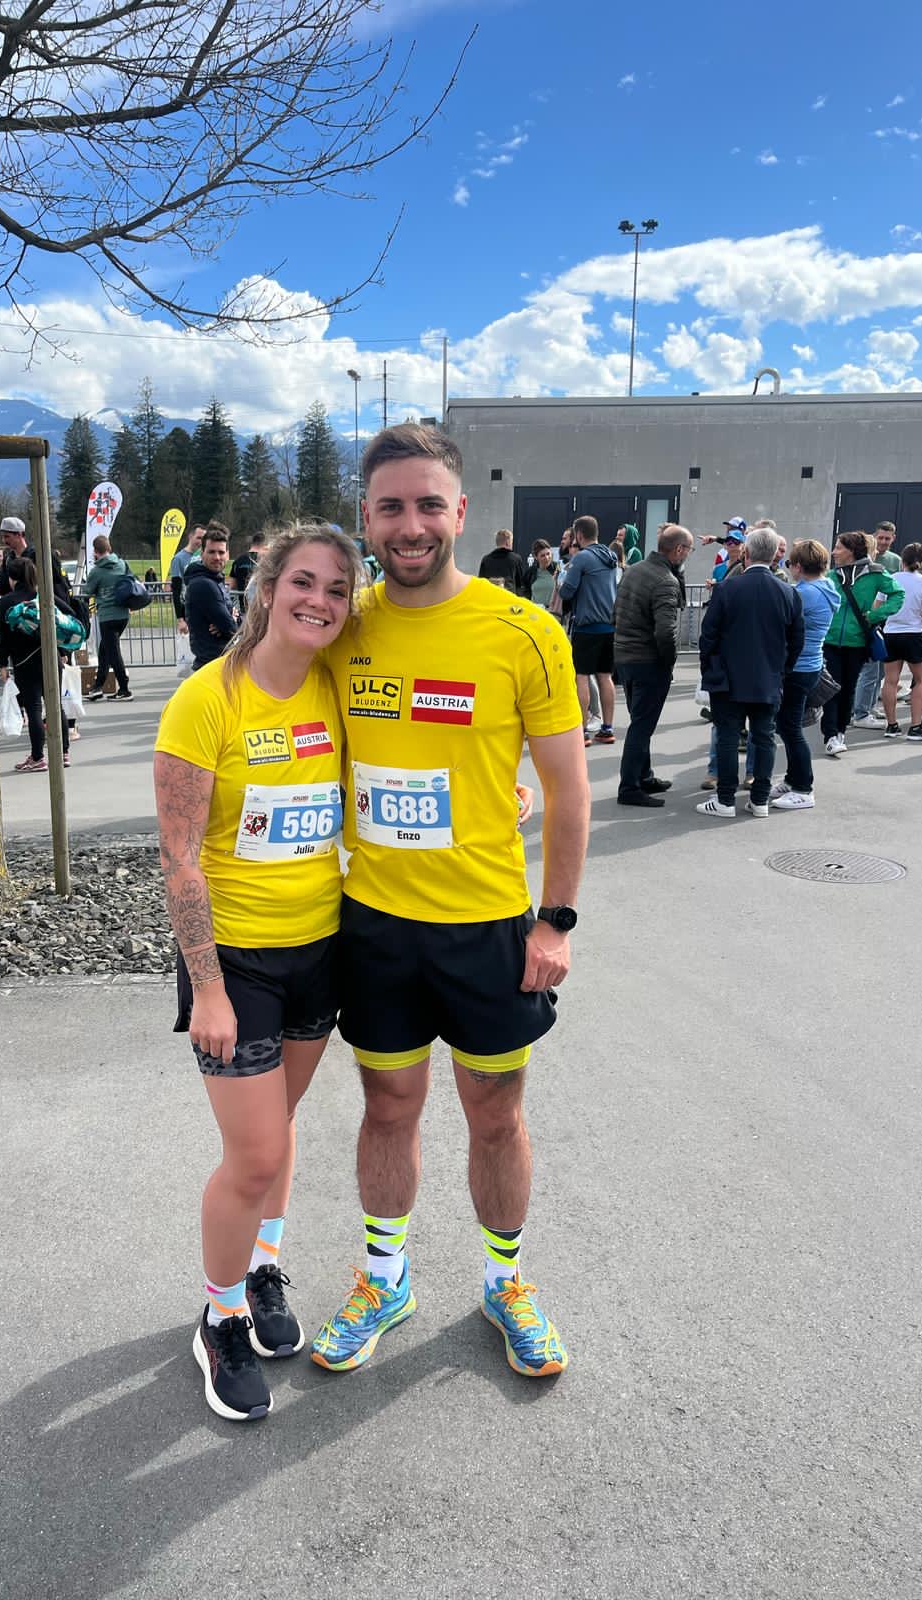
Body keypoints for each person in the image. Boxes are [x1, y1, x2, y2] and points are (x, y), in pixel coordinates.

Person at [312, 423, 588, 1381]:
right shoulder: (341, 626)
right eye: (391, 506)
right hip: (376, 924)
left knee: (495, 1113)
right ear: (366, 518)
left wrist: (555, 919)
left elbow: (567, 789)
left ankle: (506, 1283)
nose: (411, 525)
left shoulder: (525, 631)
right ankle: (386, 1279)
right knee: (388, 1106)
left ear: (461, 512)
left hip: (487, 927)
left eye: (429, 504)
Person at [154, 523, 363, 1423]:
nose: (319, 601)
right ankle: (221, 1313)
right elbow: (179, 858)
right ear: (268, 588)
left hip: (320, 949)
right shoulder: (207, 699)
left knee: (280, 1129)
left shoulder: (334, 688)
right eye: (303, 582)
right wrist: (206, 988)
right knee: (255, 1156)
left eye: (338, 589)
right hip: (236, 965)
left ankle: (263, 1267)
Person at [696, 527, 804, 819]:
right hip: (768, 676)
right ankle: (760, 800)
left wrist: (710, 669)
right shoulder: (788, 593)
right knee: (764, 738)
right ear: (773, 555)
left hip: (728, 677)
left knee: (728, 737)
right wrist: (782, 670)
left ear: (746, 553)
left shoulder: (727, 589)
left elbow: (708, 636)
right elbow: (797, 641)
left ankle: (725, 799)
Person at [612, 523, 693, 806]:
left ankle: (644, 776)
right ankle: (629, 787)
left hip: (625, 656)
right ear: (679, 549)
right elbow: (665, 632)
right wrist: (668, 664)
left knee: (639, 721)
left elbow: (616, 612)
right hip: (648, 662)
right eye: (689, 550)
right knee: (642, 726)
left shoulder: (633, 570)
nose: (689, 555)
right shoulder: (665, 580)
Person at [770, 540, 842, 811]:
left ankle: (803, 788)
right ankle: (792, 779)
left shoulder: (803, 593)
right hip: (810, 664)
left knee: (790, 729)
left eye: (790, 564)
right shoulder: (826, 587)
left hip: (798, 668)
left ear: (799, 566)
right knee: (789, 727)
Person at [819, 531, 903, 757]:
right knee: (832, 688)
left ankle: (840, 731)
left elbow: (898, 594)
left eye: (839, 547)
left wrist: (876, 615)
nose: (834, 552)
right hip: (830, 641)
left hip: (858, 642)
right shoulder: (832, 575)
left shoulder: (876, 573)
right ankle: (830, 735)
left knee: (848, 688)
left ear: (852, 551)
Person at [0, 557, 72, 772]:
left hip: (24, 660)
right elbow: (67, 616)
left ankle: (38, 756)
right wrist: (64, 650)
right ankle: (64, 752)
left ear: (12, 579)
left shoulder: (7, 602)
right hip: (51, 656)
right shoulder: (44, 596)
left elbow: (3, 636)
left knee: (34, 708)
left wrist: (3, 663)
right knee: (55, 705)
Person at [558, 514, 618, 744]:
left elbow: (567, 591)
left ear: (579, 534)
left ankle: (582, 731)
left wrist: (562, 579)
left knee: (581, 677)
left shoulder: (582, 558)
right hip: (608, 626)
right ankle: (607, 728)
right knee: (605, 676)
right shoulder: (611, 556)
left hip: (587, 626)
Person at [879, 544, 922, 741]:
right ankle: (915, 726)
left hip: (891, 633)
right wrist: (917, 611)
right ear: (921, 560)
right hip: (914, 634)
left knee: (890, 680)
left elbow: (877, 607)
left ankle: (891, 725)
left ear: (902, 560)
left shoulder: (890, 579)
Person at [82, 533, 132, 701]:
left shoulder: (96, 571)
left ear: (95, 551)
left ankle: (124, 688)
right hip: (123, 613)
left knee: (113, 653)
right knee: (105, 649)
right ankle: (98, 686)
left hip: (107, 616)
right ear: (109, 548)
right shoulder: (122, 564)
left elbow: (88, 590)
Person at [184, 522, 238, 670]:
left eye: (221, 552)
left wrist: (230, 620)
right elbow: (231, 627)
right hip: (211, 665)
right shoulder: (204, 584)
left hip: (221, 661)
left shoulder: (216, 581)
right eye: (211, 552)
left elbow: (233, 622)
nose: (217, 557)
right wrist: (229, 621)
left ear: (228, 555)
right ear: (202, 553)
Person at [477, 528, 532, 598]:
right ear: (508, 542)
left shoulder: (486, 559)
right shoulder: (515, 559)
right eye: (511, 542)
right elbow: (520, 585)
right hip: (509, 598)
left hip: (490, 598)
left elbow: (481, 582)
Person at [169, 524, 204, 633]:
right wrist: (180, 620)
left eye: (204, 539)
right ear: (190, 536)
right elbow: (176, 590)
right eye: (199, 538)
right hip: (188, 611)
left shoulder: (204, 557)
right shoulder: (178, 559)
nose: (201, 542)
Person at [229, 531, 267, 608]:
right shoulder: (267, 561)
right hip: (261, 608)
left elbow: (232, 586)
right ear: (264, 544)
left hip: (243, 607)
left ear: (252, 543)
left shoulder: (238, 560)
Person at [529, 540, 558, 608]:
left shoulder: (558, 569)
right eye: (542, 555)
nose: (547, 558)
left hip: (553, 612)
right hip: (535, 612)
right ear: (536, 557)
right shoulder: (531, 572)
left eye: (548, 554)